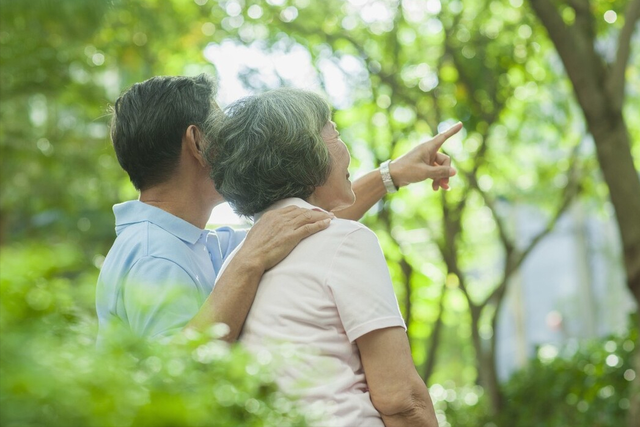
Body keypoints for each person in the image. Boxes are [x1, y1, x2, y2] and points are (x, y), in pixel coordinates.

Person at [96, 73, 460, 346]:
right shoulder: (155, 256)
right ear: (198, 142)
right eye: (223, 129)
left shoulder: (191, 243)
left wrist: (392, 174)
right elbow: (175, 384)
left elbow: (303, 229)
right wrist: (247, 262)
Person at [208, 88, 452, 427]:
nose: (346, 147)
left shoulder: (236, 261)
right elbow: (401, 399)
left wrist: (391, 173)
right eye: (335, 132)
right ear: (308, 157)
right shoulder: (347, 240)